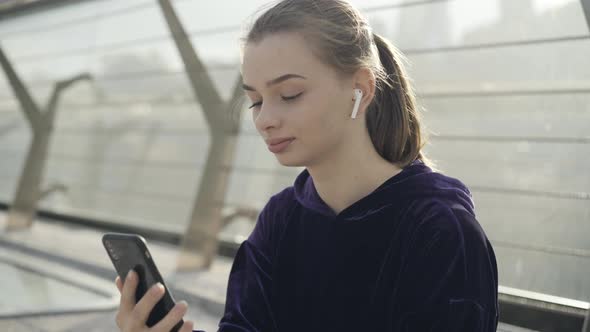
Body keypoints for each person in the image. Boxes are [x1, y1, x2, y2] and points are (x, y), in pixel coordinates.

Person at [114, 0, 499, 331]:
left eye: (289, 94)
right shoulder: (280, 219)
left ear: (360, 90)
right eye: (256, 100)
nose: (264, 119)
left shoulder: (441, 232)